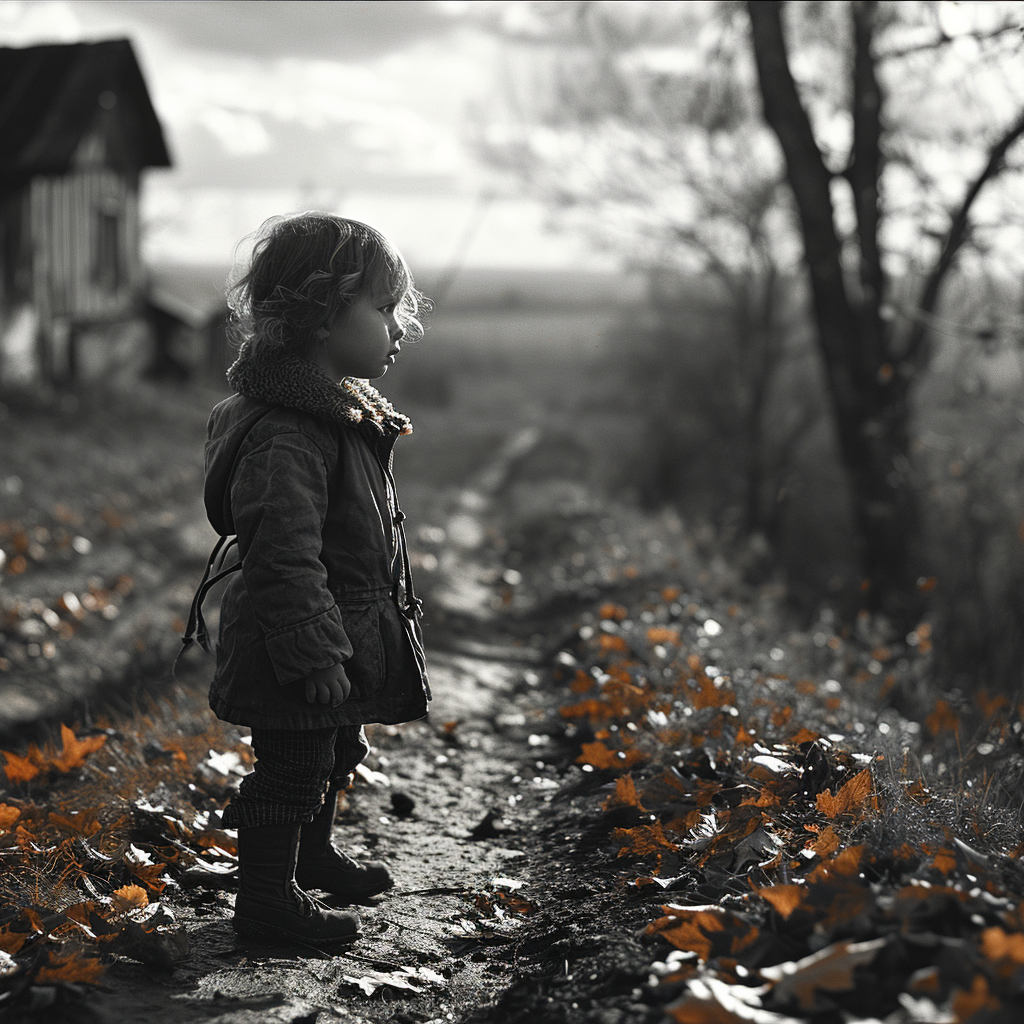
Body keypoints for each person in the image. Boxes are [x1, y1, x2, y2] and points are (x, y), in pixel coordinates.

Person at [183, 213, 430, 946]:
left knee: (335, 748)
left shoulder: (340, 412)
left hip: (338, 630)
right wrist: (311, 648)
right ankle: (265, 898)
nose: (399, 328)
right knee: (293, 765)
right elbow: (284, 555)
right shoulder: (290, 430)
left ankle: (311, 854)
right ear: (323, 316)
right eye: (383, 309)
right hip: (300, 640)